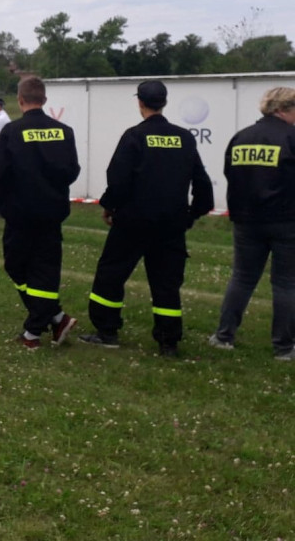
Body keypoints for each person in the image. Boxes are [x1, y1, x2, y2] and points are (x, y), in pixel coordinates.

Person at [80, 80, 214, 356]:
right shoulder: (184, 138)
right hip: (171, 225)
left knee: (111, 275)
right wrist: (191, 215)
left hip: (133, 222)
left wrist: (109, 206)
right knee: (166, 283)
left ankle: (107, 331)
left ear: (139, 102)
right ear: (164, 102)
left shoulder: (134, 136)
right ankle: (168, 342)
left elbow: (118, 179)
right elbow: (202, 183)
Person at [0, 77, 81, 349]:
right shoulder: (64, 131)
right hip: (52, 213)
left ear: (20, 100)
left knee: (17, 266)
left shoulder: (13, 131)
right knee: (44, 269)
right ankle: (56, 316)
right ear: (44, 100)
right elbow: (72, 171)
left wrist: (2, 204)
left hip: (20, 213)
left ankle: (33, 332)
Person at [209, 87, 295, 360]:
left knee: (242, 278)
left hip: (246, 220)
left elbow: (229, 173)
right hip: (286, 220)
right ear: (286, 109)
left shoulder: (241, 137)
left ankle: (224, 335)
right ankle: (283, 348)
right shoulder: (292, 137)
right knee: (285, 284)